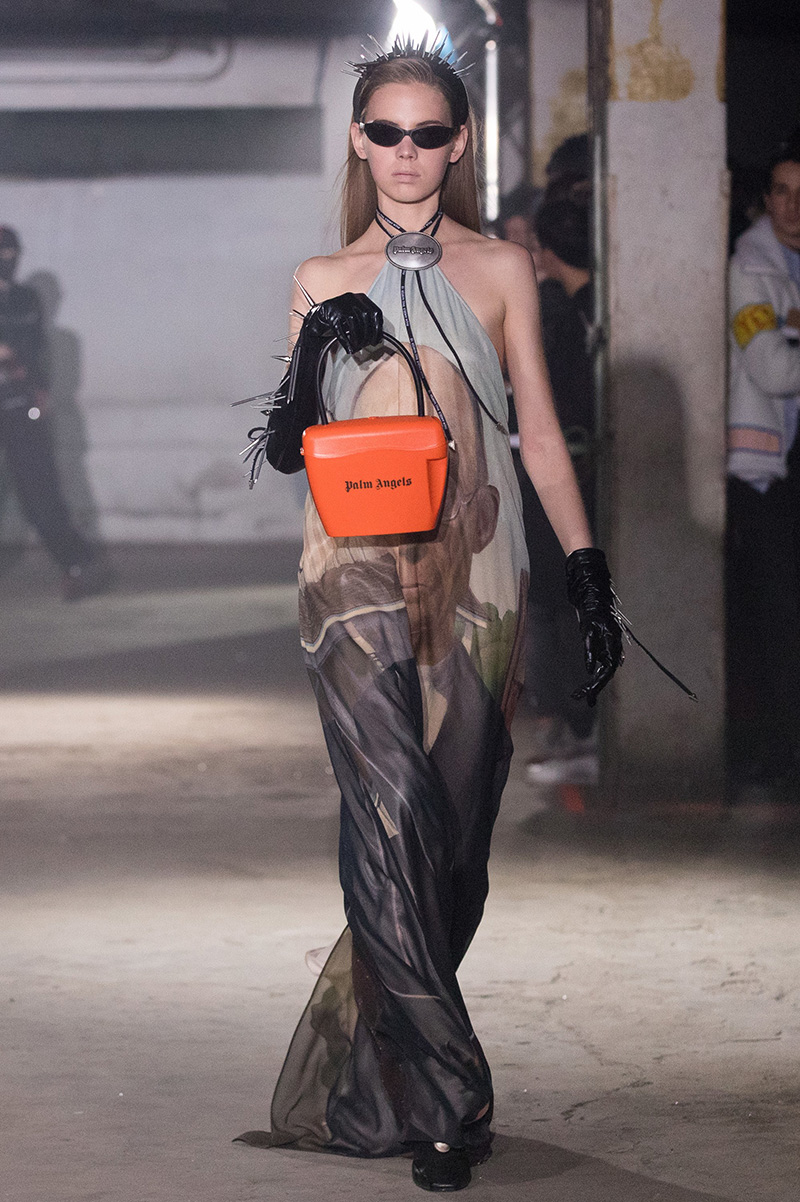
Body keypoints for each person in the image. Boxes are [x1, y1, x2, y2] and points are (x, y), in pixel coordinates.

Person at [238, 40, 623, 1191]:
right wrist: (318, 346)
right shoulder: (318, 274)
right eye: (385, 131)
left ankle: (382, 1082)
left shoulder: (501, 268)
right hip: (348, 570)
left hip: (482, 565)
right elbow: (287, 450)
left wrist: (586, 571)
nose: (405, 151)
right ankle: (454, 1098)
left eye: (427, 132)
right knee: (389, 812)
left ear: (456, 145)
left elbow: (537, 433)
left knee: (450, 836)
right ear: (358, 142)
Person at [726, 134, 800, 789]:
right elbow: (772, 369)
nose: (792, 206)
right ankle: (778, 754)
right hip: (764, 475)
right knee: (775, 620)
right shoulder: (750, 268)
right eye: (781, 191)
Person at [0, 225, 110, 600]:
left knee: (40, 495)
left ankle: (77, 564)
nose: (6, 261)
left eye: (10, 255)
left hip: (19, 408)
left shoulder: (25, 300)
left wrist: (18, 365)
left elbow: (29, 351)